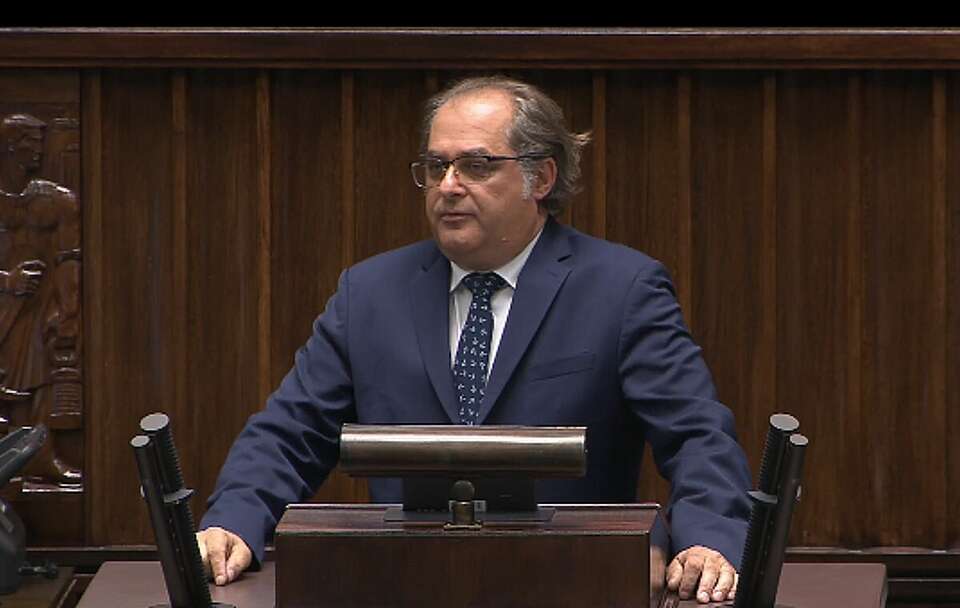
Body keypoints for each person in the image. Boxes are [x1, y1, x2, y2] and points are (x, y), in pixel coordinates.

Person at [197, 76, 753, 604]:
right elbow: (290, 431)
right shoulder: (369, 293)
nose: (448, 186)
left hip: (574, 583)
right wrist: (234, 521)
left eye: (476, 165)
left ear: (541, 178)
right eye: (435, 166)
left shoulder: (621, 289)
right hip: (397, 585)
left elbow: (696, 434)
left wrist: (708, 540)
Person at [0, 113, 81, 484]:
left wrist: (68, 308)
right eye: (29, 143)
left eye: (40, 142)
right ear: (8, 147)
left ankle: (38, 455)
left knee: (40, 377)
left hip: (35, 307)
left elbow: (68, 257)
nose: (37, 150)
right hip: (6, 302)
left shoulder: (52, 200)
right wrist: (8, 280)